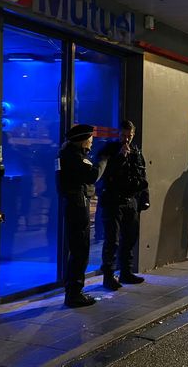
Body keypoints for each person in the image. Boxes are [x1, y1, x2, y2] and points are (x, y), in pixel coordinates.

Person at [97, 120, 150, 290]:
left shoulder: (136, 151)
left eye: (129, 136)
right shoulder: (110, 149)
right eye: (123, 135)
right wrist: (120, 156)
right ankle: (108, 276)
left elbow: (142, 175)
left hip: (130, 200)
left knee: (129, 238)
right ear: (118, 134)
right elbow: (105, 173)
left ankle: (126, 272)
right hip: (113, 200)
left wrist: (144, 198)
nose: (126, 139)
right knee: (112, 240)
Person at [57, 124, 105, 307]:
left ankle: (74, 291)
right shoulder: (75, 157)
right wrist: (103, 160)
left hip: (73, 205)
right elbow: (93, 175)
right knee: (80, 250)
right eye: (90, 140)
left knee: (77, 250)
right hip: (78, 206)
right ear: (83, 140)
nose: (92, 143)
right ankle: (75, 294)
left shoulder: (64, 155)